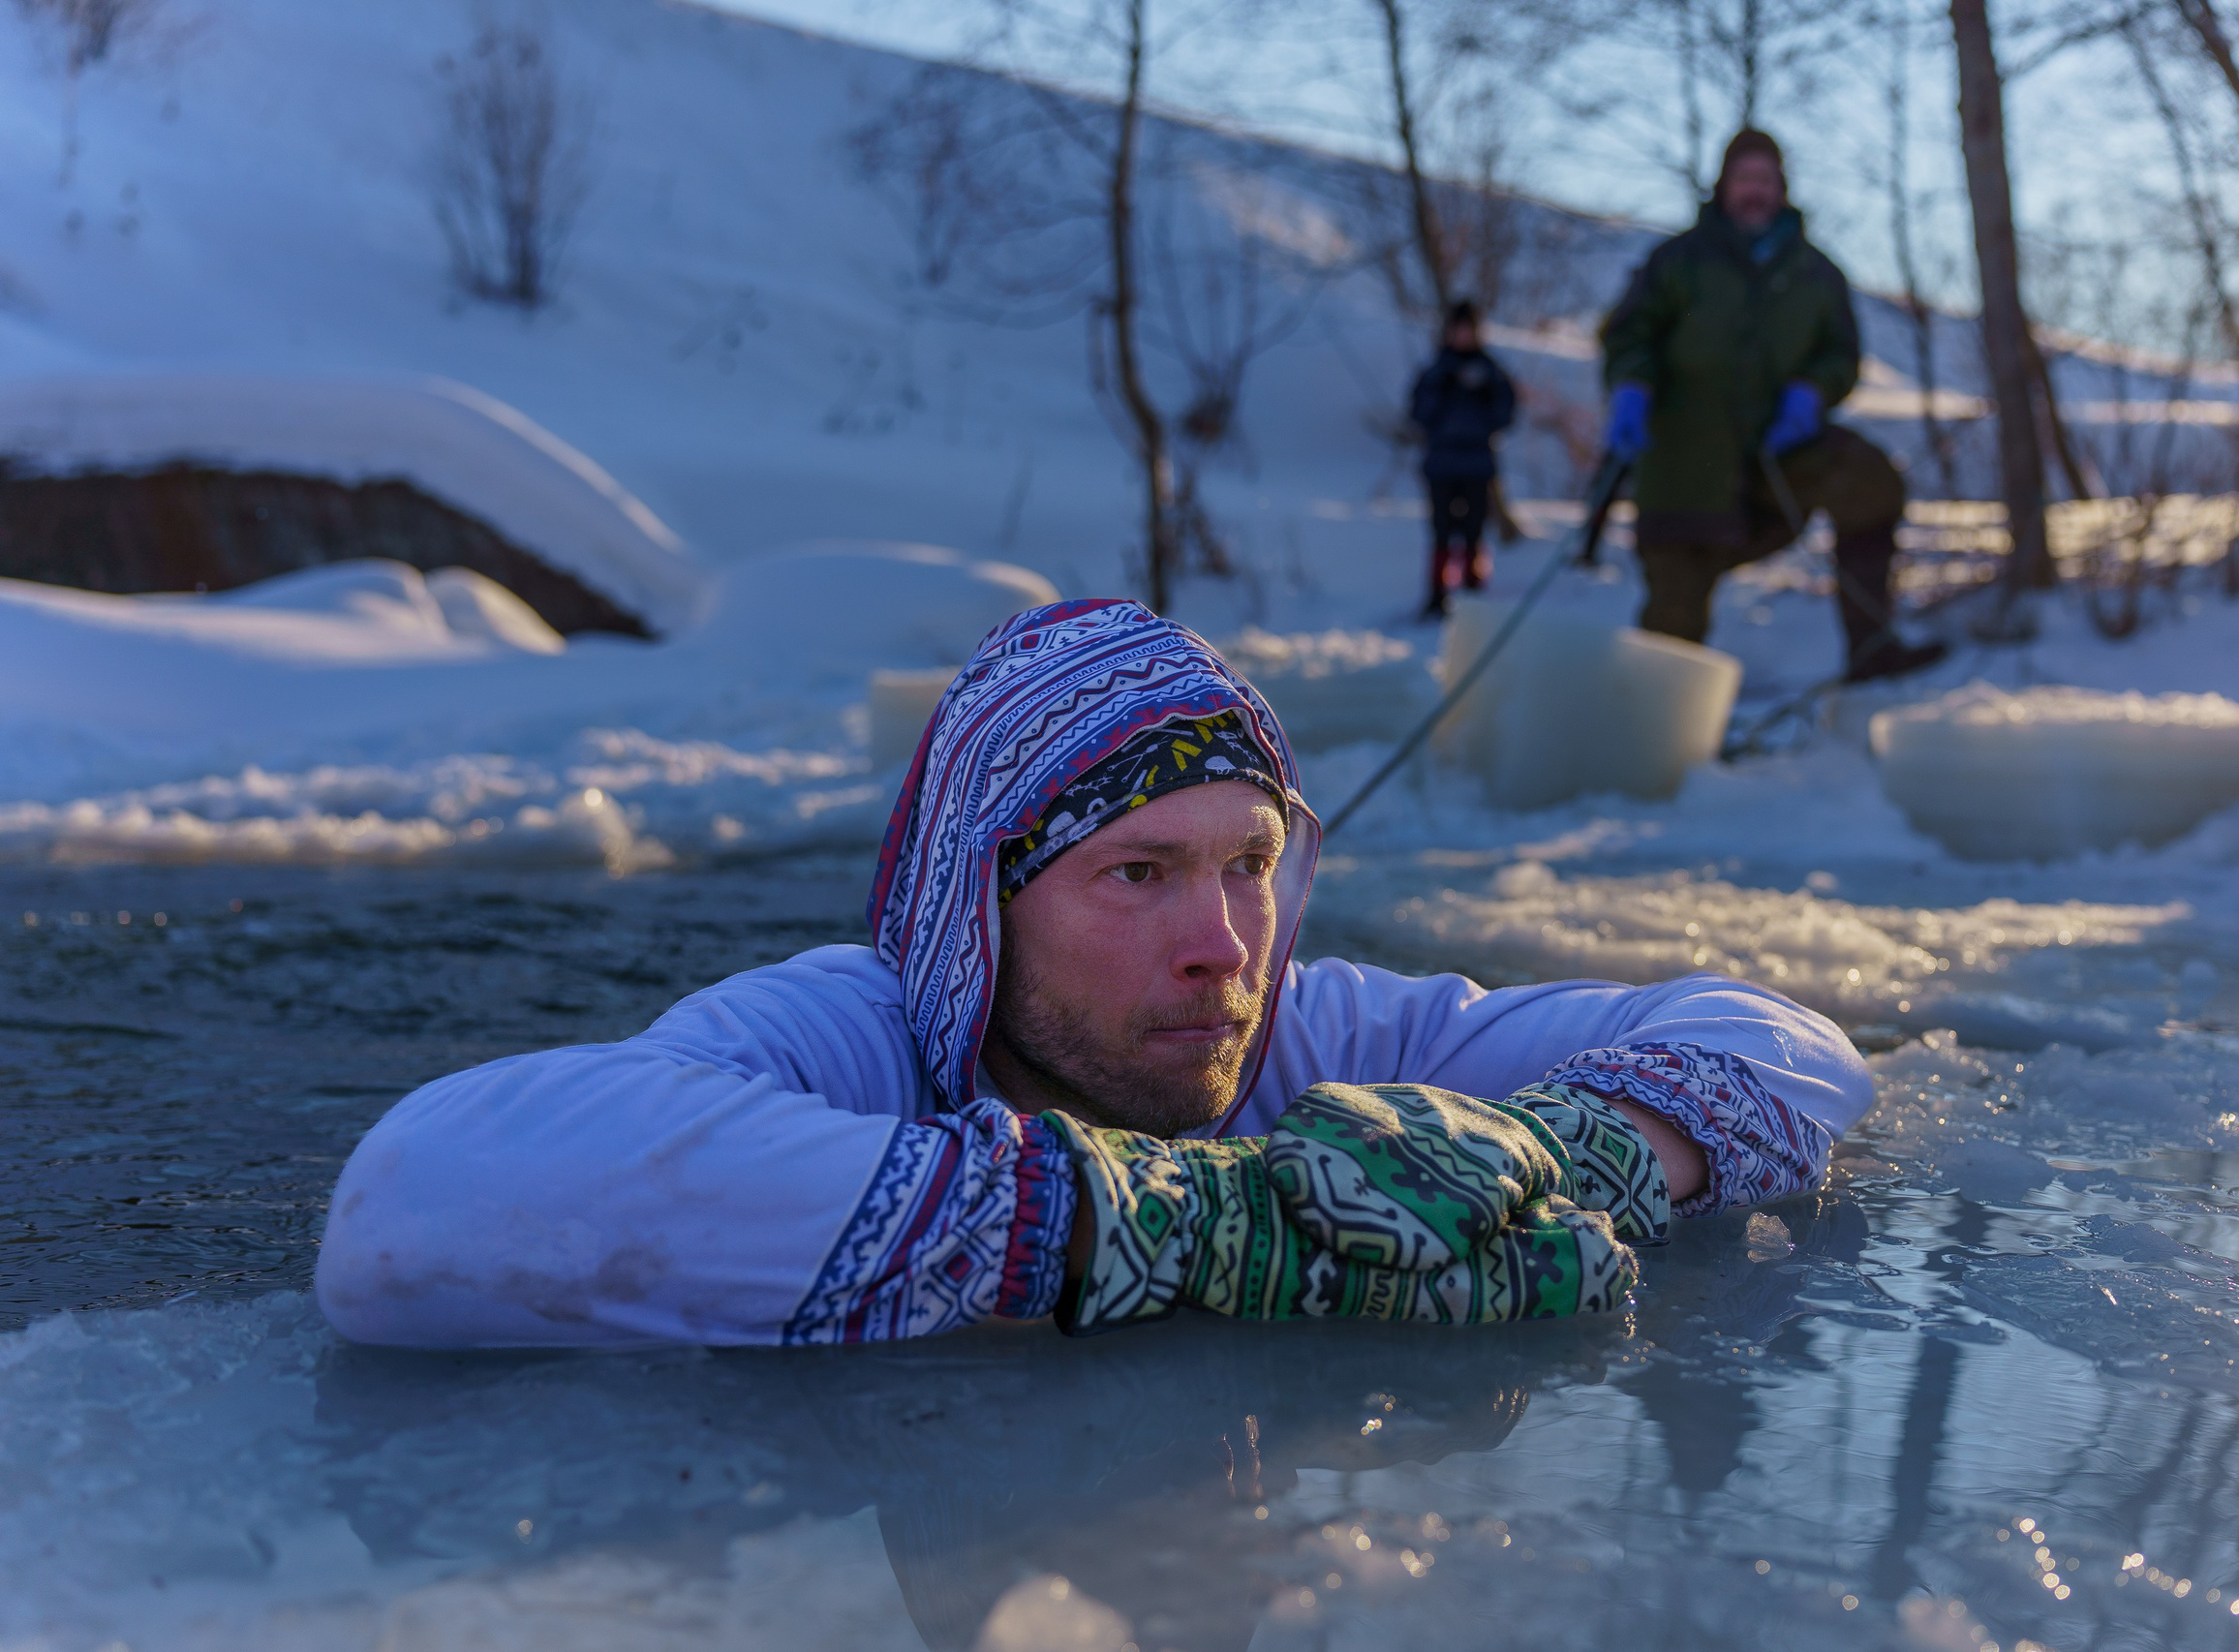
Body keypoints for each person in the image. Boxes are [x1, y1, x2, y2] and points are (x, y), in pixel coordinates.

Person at [316, 597, 1870, 1349]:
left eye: (1250, 863)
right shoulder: (847, 1038)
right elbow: (411, 1204)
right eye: (1137, 872)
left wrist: (1575, 1146)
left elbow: (1782, 1040)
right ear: (980, 901)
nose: (1222, 941)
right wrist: (1167, 1222)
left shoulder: (1303, 1036)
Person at [1601, 128, 1946, 683]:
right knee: (1673, 628)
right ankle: (1654, 737)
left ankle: (1871, 649)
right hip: (1686, 467)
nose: (1754, 191)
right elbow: (1627, 335)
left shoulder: (1814, 273)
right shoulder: (1678, 261)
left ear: (1781, 188)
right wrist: (1632, 388)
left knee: (1870, 480)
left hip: (1776, 458)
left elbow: (1840, 354)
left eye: (1765, 179)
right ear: (1724, 186)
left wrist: (1812, 391)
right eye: (1744, 179)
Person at [1408, 299, 1518, 619]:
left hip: (1477, 464)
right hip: (1441, 466)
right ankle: (1437, 595)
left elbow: (1506, 412)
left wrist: (1485, 400)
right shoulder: (1436, 371)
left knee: (1474, 531)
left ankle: (1473, 593)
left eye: (1468, 330)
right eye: (1458, 330)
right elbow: (1418, 412)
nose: (1463, 336)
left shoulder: (1491, 371)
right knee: (1441, 531)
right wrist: (1443, 389)